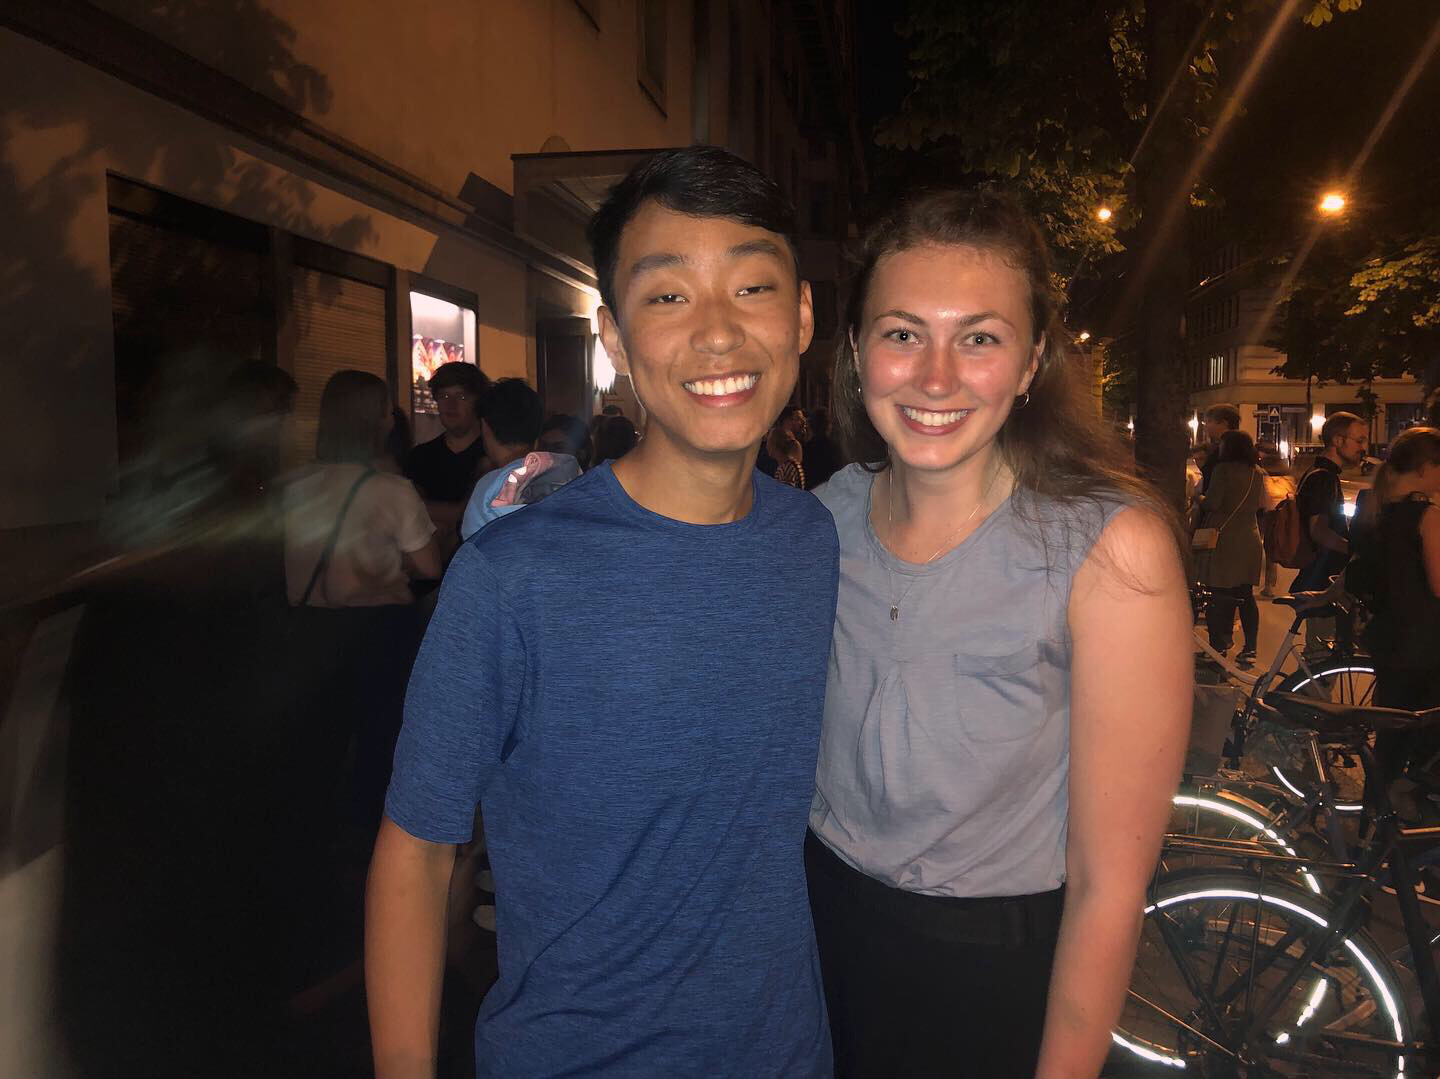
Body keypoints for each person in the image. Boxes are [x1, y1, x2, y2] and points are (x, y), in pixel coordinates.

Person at [366, 145, 837, 1079]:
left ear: (803, 317)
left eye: (752, 288)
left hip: (787, 1052)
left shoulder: (814, 539)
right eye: (668, 296)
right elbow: (417, 854)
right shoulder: (514, 574)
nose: (716, 333)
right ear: (615, 339)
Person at [805, 186, 1191, 1077]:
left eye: (979, 337)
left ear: (1030, 364)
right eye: (903, 333)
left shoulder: (1108, 549)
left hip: (987, 976)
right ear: (858, 353)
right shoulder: (818, 523)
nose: (935, 376)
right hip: (813, 940)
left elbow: (1108, 886)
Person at [283, 371, 443, 838]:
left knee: (319, 748)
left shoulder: (291, 485)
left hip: (306, 629)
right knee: (379, 750)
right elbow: (429, 566)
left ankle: (313, 846)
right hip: (378, 631)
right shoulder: (390, 490)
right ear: (376, 420)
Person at [1354, 426, 1440, 713]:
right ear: (1425, 467)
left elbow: (1359, 564)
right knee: (1424, 738)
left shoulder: (1373, 509)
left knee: (1393, 726)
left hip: (1386, 634)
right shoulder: (1427, 516)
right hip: (1424, 643)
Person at [1195, 430, 1271, 664]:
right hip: (1249, 538)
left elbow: (1213, 503)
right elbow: (1260, 505)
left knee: (1218, 593)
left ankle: (1219, 646)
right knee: (1245, 595)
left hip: (1224, 539)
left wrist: (1198, 498)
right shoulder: (1257, 472)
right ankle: (1250, 647)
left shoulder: (1223, 470)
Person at [404, 360, 490, 535]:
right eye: (444, 396)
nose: (451, 405)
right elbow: (404, 509)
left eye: (462, 397)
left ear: (478, 403)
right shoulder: (420, 457)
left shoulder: (491, 453)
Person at [1293, 411, 1368, 595]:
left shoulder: (1318, 472)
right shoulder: (1323, 478)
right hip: (1322, 578)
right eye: (1359, 441)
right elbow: (1318, 531)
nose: (1363, 447)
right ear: (1337, 441)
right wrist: (1355, 550)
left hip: (1318, 573)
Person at [1199, 404, 1240, 495]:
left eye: (1209, 421)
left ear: (1224, 423)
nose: (1206, 427)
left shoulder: (1227, 449)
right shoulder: (1244, 448)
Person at [803, 406, 843, 490]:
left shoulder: (805, 448)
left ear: (810, 426)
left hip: (812, 492)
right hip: (831, 492)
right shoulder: (837, 448)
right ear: (829, 426)